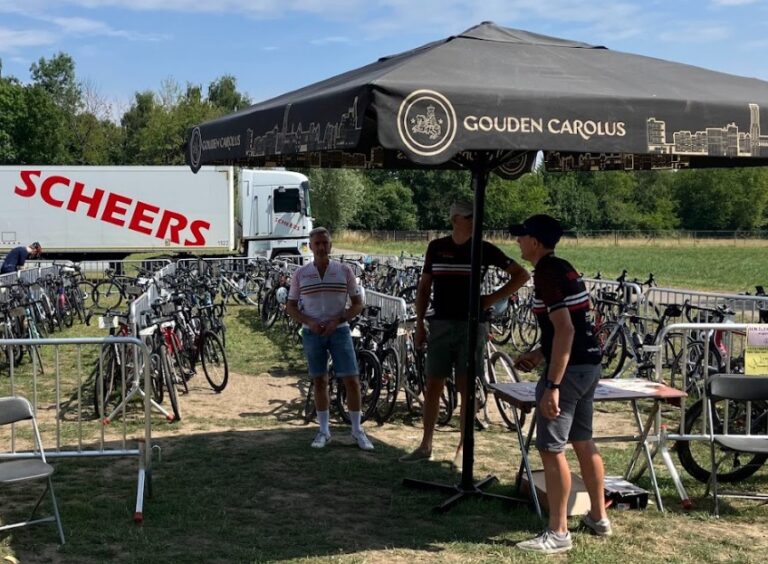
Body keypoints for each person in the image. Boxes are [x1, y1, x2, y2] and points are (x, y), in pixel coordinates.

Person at [399, 200, 530, 466]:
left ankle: (463, 446)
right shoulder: (436, 247)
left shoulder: (484, 248)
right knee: (433, 383)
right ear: (456, 218)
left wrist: (490, 299)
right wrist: (421, 323)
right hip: (441, 323)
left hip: (472, 325)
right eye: (471, 216)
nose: (475, 221)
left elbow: (521, 275)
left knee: (466, 386)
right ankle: (426, 444)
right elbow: (424, 288)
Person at [510, 214, 609, 555]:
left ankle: (558, 531)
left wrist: (552, 384)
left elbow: (566, 329)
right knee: (583, 440)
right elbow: (573, 327)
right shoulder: (564, 267)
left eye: (522, 237)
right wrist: (540, 352)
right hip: (588, 365)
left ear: (535, 242)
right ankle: (598, 517)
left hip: (569, 372)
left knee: (552, 450)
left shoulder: (546, 274)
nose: (518, 242)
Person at [286, 227, 374, 451]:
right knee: (319, 380)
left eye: (325, 243)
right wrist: (308, 321)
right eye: (317, 243)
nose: (322, 247)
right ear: (311, 246)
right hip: (312, 331)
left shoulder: (344, 271)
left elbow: (357, 303)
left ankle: (357, 429)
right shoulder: (301, 274)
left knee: (352, 380)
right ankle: (324, 430)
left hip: (340, 330)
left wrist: (339, 319)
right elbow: (291, 306)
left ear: (331, 245)